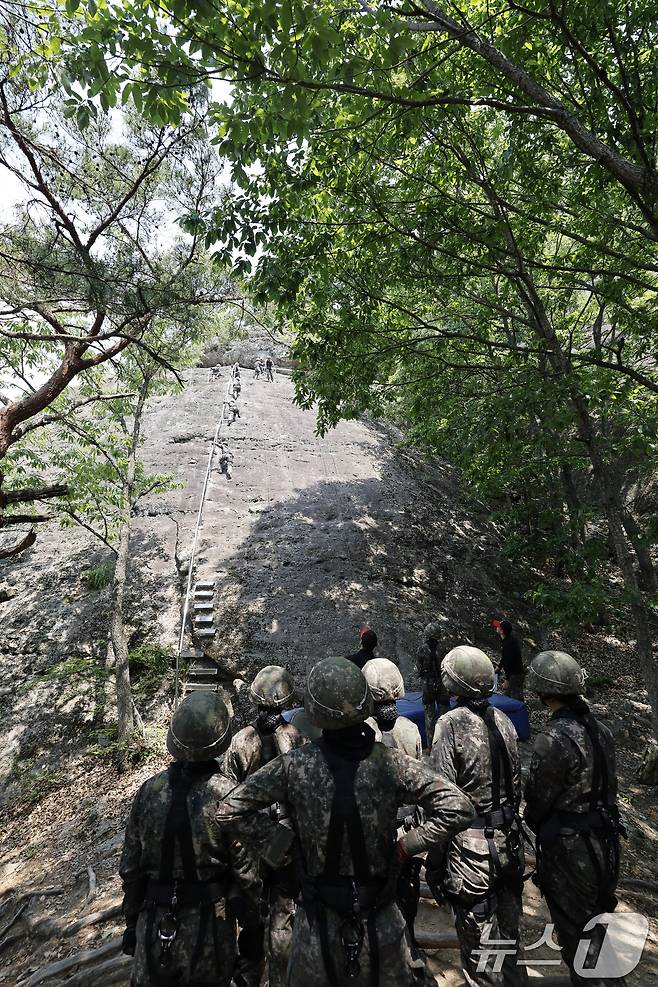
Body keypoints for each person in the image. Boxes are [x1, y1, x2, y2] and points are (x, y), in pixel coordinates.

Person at [214, 656, 475, 987]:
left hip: (315, 925)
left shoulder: (296, 766)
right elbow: (459, 807)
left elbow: (228, 809)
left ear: (315, 711)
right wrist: (405, 847)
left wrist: (286, 847)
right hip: (380, 921)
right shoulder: (392, 764)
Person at [119, 692, 262, 987]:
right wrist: (253, 927)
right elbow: (247, 872)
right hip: (207, 931)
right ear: (221, 737)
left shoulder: (149, 791)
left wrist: (132, 924)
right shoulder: (229, 795)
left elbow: (131, 868)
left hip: (153, 927)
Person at [524, 651, 626, 987]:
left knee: (580, 944)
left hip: (571, 851)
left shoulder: (554, 737)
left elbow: (537, 799)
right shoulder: (601, 731)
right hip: (606, 844)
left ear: (542, 690)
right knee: (596, 931)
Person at [427, 646, 527, 987]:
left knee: (479, 959)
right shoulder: (505, 721)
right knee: (510, 948)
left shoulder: (449, 725)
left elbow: (442, 802)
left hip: (472, 857)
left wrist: (436, 863)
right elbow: (516, 786)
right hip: (509, 848)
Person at [224, 666, 304, 987]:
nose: (271, 713)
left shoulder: (247, 740)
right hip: (267, 844)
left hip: (264, 845)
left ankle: (264, 978)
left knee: (268, 921)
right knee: (269, 921)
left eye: (274, 708)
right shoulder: (293, 739)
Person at [363, 658, 423, 943]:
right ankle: (409, 942)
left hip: (372, 831)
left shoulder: (362, 731)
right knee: (407, 889)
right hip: (408, 829)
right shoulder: (410, 729)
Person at [416, 621, 450, 749]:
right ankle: (444, 745)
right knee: (444, 716)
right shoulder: (443, 648)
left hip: (427, 685)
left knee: (429, 717)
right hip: (442, 683)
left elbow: (419, 667)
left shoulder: (421, 649)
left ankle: (430, 747)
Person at [494, 619, 525, 701]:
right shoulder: (509, 640)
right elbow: (505, 657)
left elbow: (509, 662)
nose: (496, 627)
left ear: (502, 631)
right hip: (515, 674)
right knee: (507, 696)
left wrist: (507, 680)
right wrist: (499, 667)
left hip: (515, 675)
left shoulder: (508, 644)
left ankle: (520, 712)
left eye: (498, 626)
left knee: (516, 699)